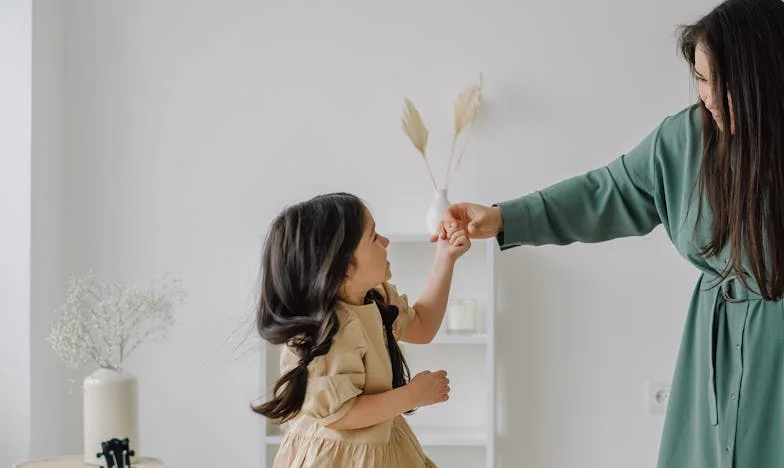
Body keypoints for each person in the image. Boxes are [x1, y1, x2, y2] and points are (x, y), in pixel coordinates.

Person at [434, 0, 784, 466]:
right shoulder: (684, 141)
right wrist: (503, 217)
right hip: (713, 353)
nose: (710, 98)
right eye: (702, 80)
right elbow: (608, 192)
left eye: (725, 83)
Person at [253, 192, 470, 468]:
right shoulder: (327, 331)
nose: (386, 241)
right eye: (374, 237)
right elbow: (341, 415)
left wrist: (445, 257)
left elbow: (423, 326)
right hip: (339, 458)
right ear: (341, 268)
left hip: (378, 449)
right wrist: (412, 396)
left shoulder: (375, 301)